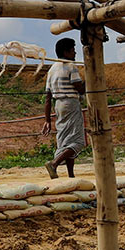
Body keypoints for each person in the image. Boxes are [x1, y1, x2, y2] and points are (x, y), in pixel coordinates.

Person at [41, 37, 87, 179]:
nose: (75, 53)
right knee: (78, 141)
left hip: (58, 105)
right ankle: (54, 164)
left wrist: (47, 120)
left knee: (66, 139)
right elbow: (79, 88)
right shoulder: (70, 66)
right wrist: (90, 80)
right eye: (73, 50)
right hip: (71, 103)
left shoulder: (52, 69)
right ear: (66, 52)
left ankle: (70, 175)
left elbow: (48, 97)